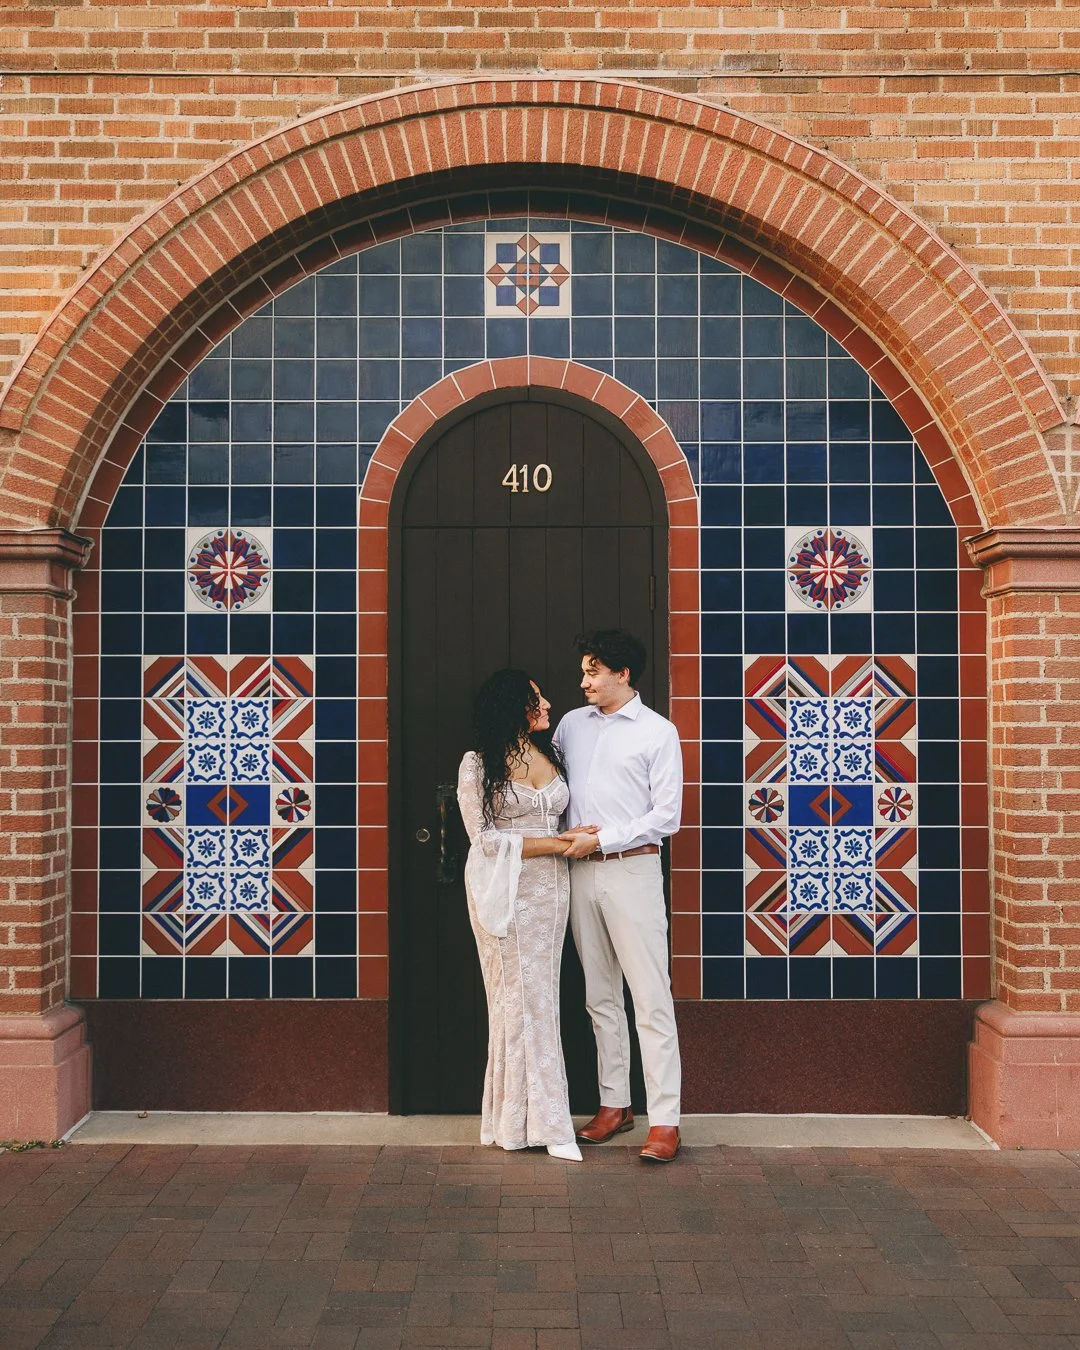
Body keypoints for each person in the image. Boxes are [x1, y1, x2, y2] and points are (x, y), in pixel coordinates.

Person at [554, 629, 684, 1163]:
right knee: (599, 995)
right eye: (584, 671)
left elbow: (666, 816)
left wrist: (602, 837)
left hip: (632, 871)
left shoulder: (658, 732)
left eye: (593, 672)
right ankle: (615, 1105)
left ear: (623, 674)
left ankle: (666, 1121)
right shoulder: (569, 726)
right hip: (579, 874)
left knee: (651, 998)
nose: (584, 681)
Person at [456, 668, 597, 1162]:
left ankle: (521, 1121)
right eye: (538, 698)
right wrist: (557, 843)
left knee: (541, 999)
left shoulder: (548, 754)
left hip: (550, 894)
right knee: (516, 1001)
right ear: (516, 705)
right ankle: (539, 1124)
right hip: (504, 891)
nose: (548, 704)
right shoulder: (477, 765)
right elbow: (486, 839)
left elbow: (553, 817)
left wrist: (571, 833)